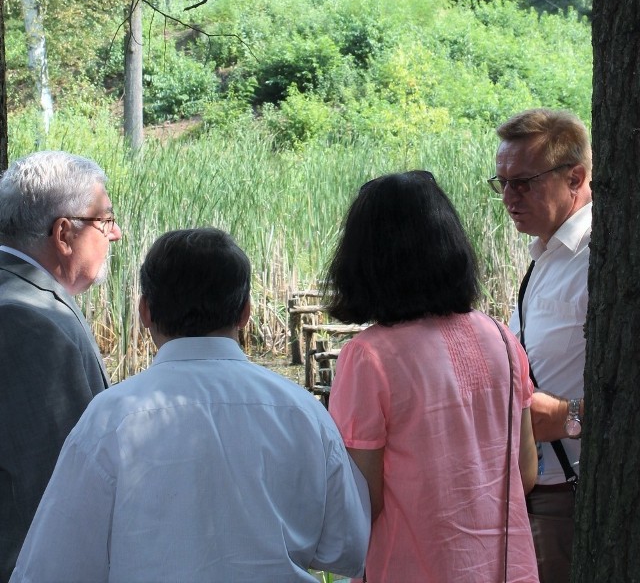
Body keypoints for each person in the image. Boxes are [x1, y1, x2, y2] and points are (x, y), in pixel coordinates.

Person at [10, 227, 370, 583]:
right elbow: (348, 549)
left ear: (144, 312)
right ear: (245, 312)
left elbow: (51, 568)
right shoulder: (303, 412)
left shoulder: (110, 419)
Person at [323, 170, 539, 583]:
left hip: (412, 568)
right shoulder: (500, 336)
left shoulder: (368, 357)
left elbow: (361, 501)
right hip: (508, 569)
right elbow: (525, 472)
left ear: (365, 260)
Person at [0, 150, 121, 583]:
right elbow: (56, 488)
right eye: (105, 221)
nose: (117, 234)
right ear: (64, 233)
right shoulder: (28, 322)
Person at [490, 108, 592, 583]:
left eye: (524, 182)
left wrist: (569, 418)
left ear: (576, 178)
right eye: (503, 182)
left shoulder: (600, 257)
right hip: (534, 490)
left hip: (574, 498)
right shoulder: (548, 254)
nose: (509, 197)